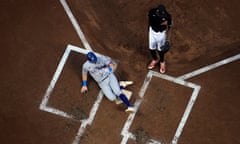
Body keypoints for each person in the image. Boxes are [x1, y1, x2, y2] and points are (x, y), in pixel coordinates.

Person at [147, 4, 172, 73]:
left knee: (161, 50)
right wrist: (161, 23)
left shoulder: (167, 16)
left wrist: (168, 39)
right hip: (152, 32)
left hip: (161, 34)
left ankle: (162, 62)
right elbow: (152, 23)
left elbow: (169, 26)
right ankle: (155, 59)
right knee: (151, 48)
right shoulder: (152, 12)